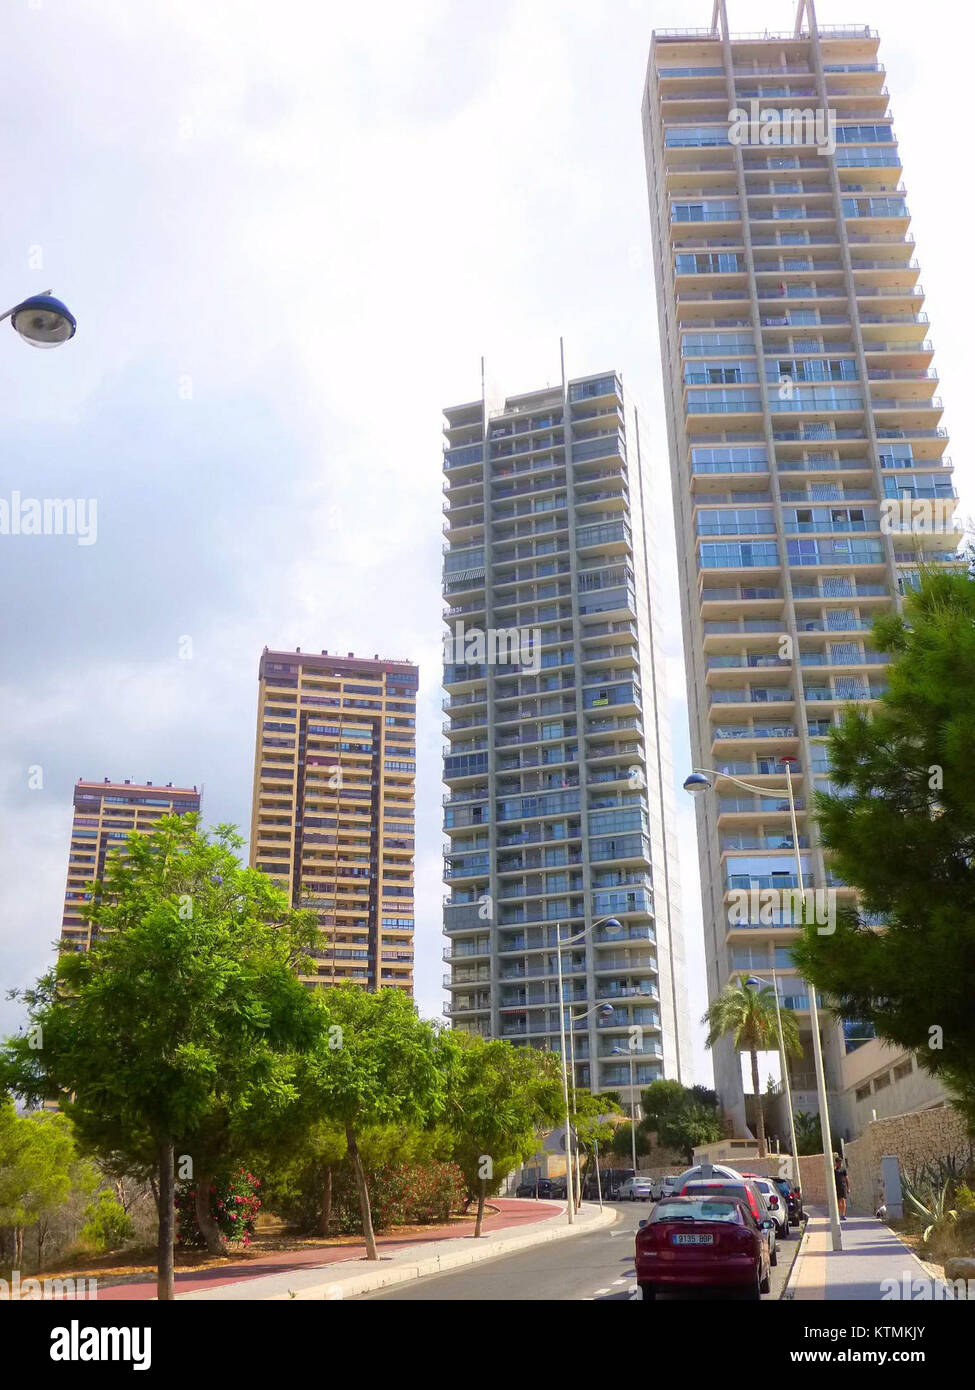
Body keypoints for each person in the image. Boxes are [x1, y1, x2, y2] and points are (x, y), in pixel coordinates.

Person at [833, 1153, 849, 1220]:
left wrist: (848, 1188)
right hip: (837, 1187)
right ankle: (841, 1213)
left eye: (841, 1162)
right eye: (839, 1162)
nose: (840, 1163)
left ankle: (843, 1214)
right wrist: (834, 1168)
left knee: (843, 1200)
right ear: (836, 1163)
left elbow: (847, 1178)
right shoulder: (834, 1170)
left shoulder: (843, 1169)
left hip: (843, 1186)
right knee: (839, 1201)